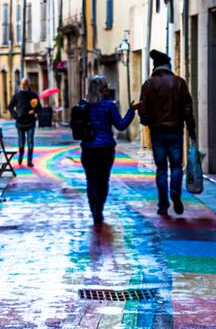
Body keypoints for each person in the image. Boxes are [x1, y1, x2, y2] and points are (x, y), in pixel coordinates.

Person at [137, 49, 197, 217]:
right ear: (168, 65)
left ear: (155, 66)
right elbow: (187, 108)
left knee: (161, 168)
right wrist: (191, 129)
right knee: (177, 166)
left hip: (157, 132)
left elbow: (143, 109)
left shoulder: (149, 84)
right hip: (175, 130)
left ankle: (163, 203)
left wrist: (148, 122)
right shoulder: (179, 82)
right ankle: (175, 192)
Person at [78, 76, 136, 226]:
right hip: (105, 149)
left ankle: (94, 211)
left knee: (91, 180)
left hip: (88, 148)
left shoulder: (83, 105)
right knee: (103, 180)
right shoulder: (109, 106)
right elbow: (121, 125)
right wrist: (132, 110)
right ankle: (100, 210)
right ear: (103, 89)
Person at [8, 77, 39, 168]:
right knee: (21, 144)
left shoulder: (33, 95)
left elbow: (38, 107)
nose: (22, 86)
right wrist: (15, 115)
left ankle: (29, 161)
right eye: (21, 84)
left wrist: (34, 111)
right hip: (20, 122)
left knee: (30, 143)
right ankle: (21, 157)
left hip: (30, 122)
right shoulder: (17, 96)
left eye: (24, 84)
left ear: (28, 85)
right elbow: (10, 107)